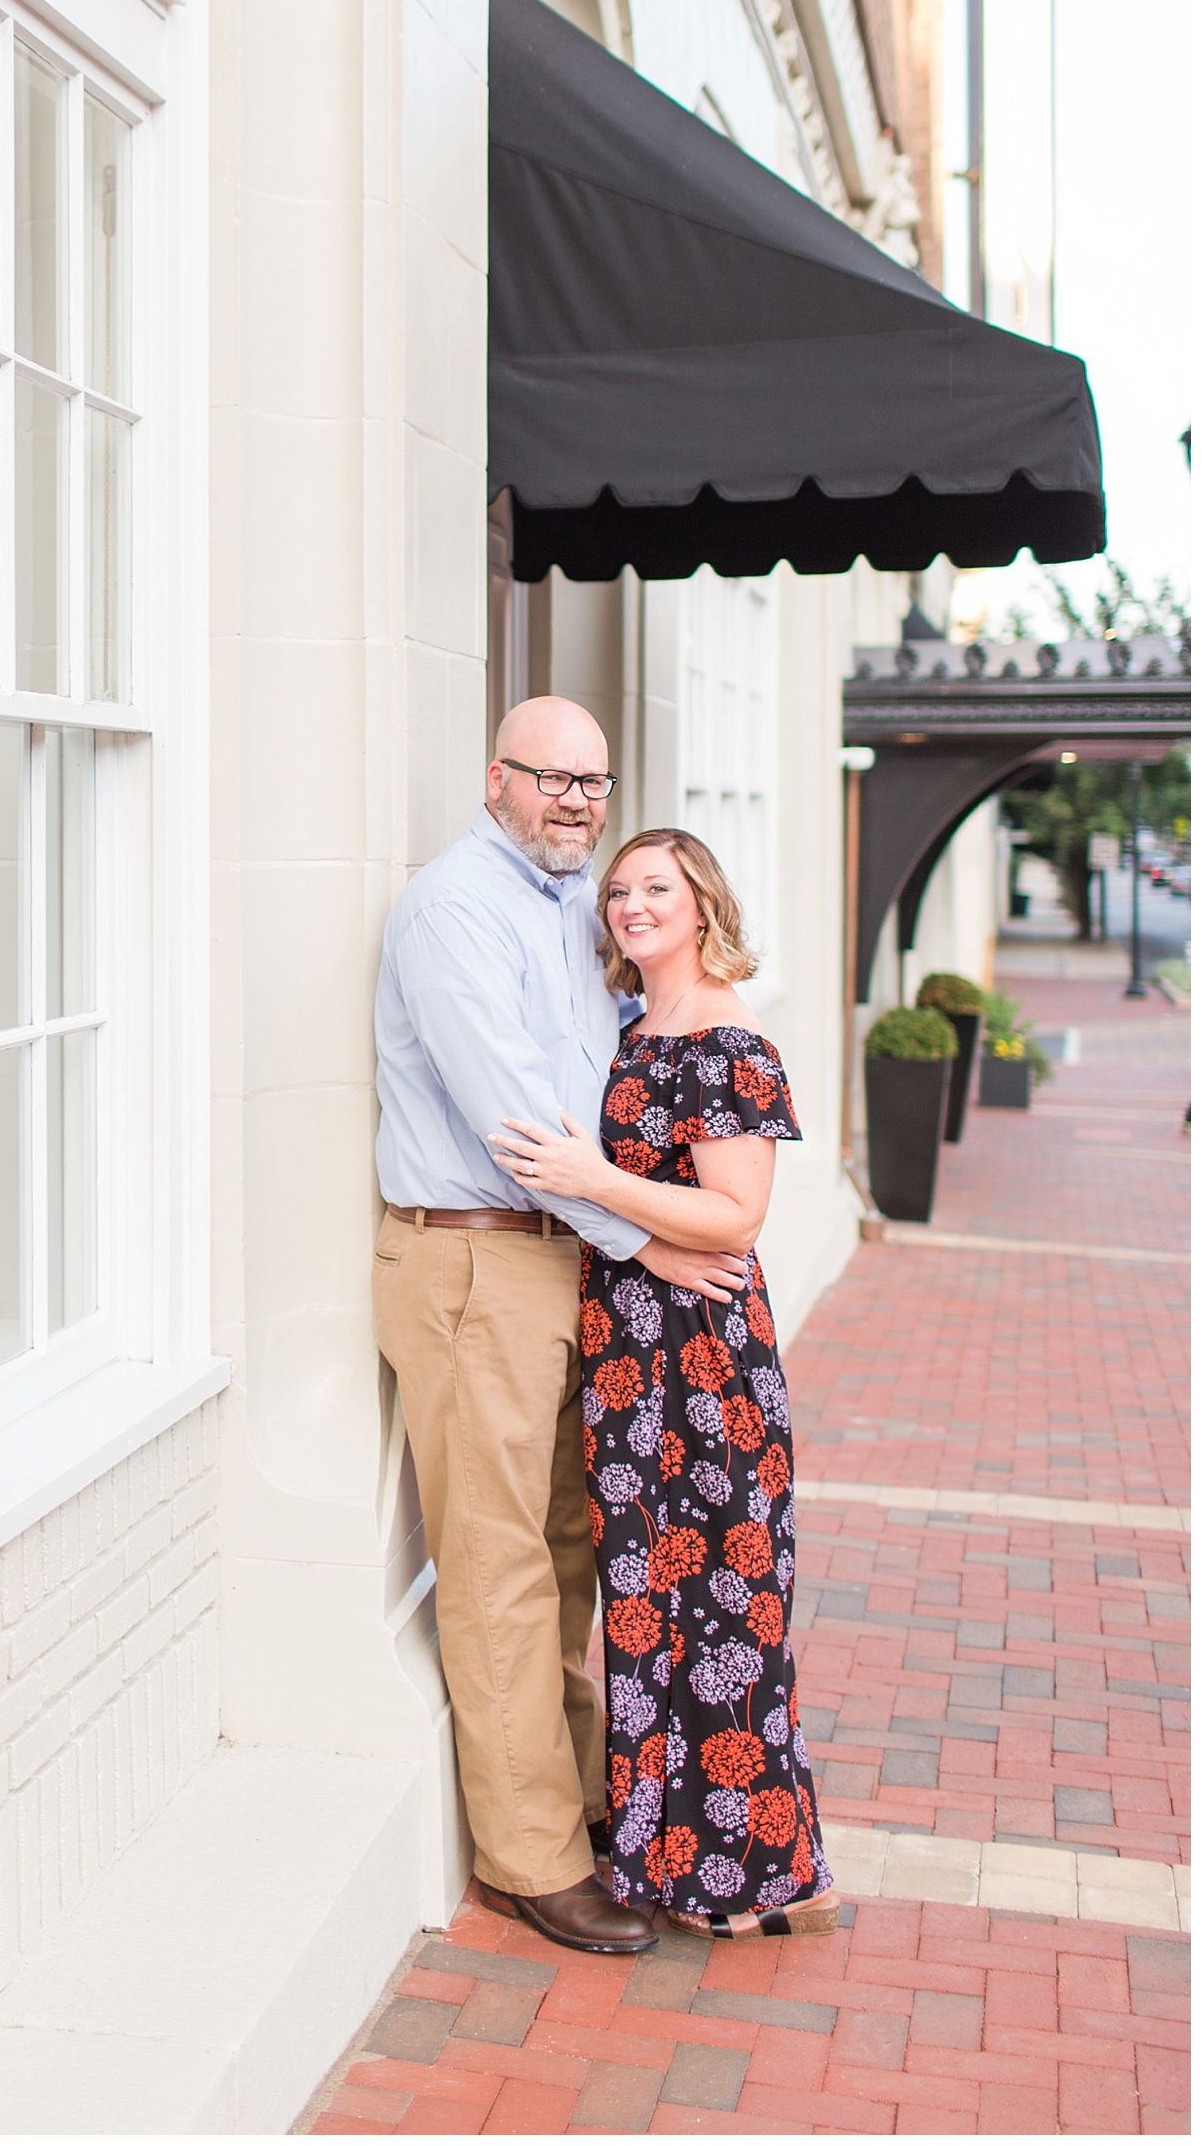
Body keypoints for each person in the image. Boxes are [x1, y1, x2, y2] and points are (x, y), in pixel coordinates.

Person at [373, 704, 754, 1958]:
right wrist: (653, 1241)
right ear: (497, 780)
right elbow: (517, 1119)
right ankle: (531, 1857)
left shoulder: (579, 907)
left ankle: (590, 1801)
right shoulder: (452, 909)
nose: (579, 801)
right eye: (553, 779)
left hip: (572, 1262)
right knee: (497, 1564)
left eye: (594, 781)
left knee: (576, 1542)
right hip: (477, 1258)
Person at [492, 826, 838, 1939]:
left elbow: (737, 1213)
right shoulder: (630, 1028)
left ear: (701, 906)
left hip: (706, 1368)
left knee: (727, 1609)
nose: (632, 905)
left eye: (657, 888)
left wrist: (596, 1182)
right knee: (647, 1611)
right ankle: (659, 1854)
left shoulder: (731, 1039)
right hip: (628, 1355)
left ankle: (751, 1872)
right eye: (621, 890)